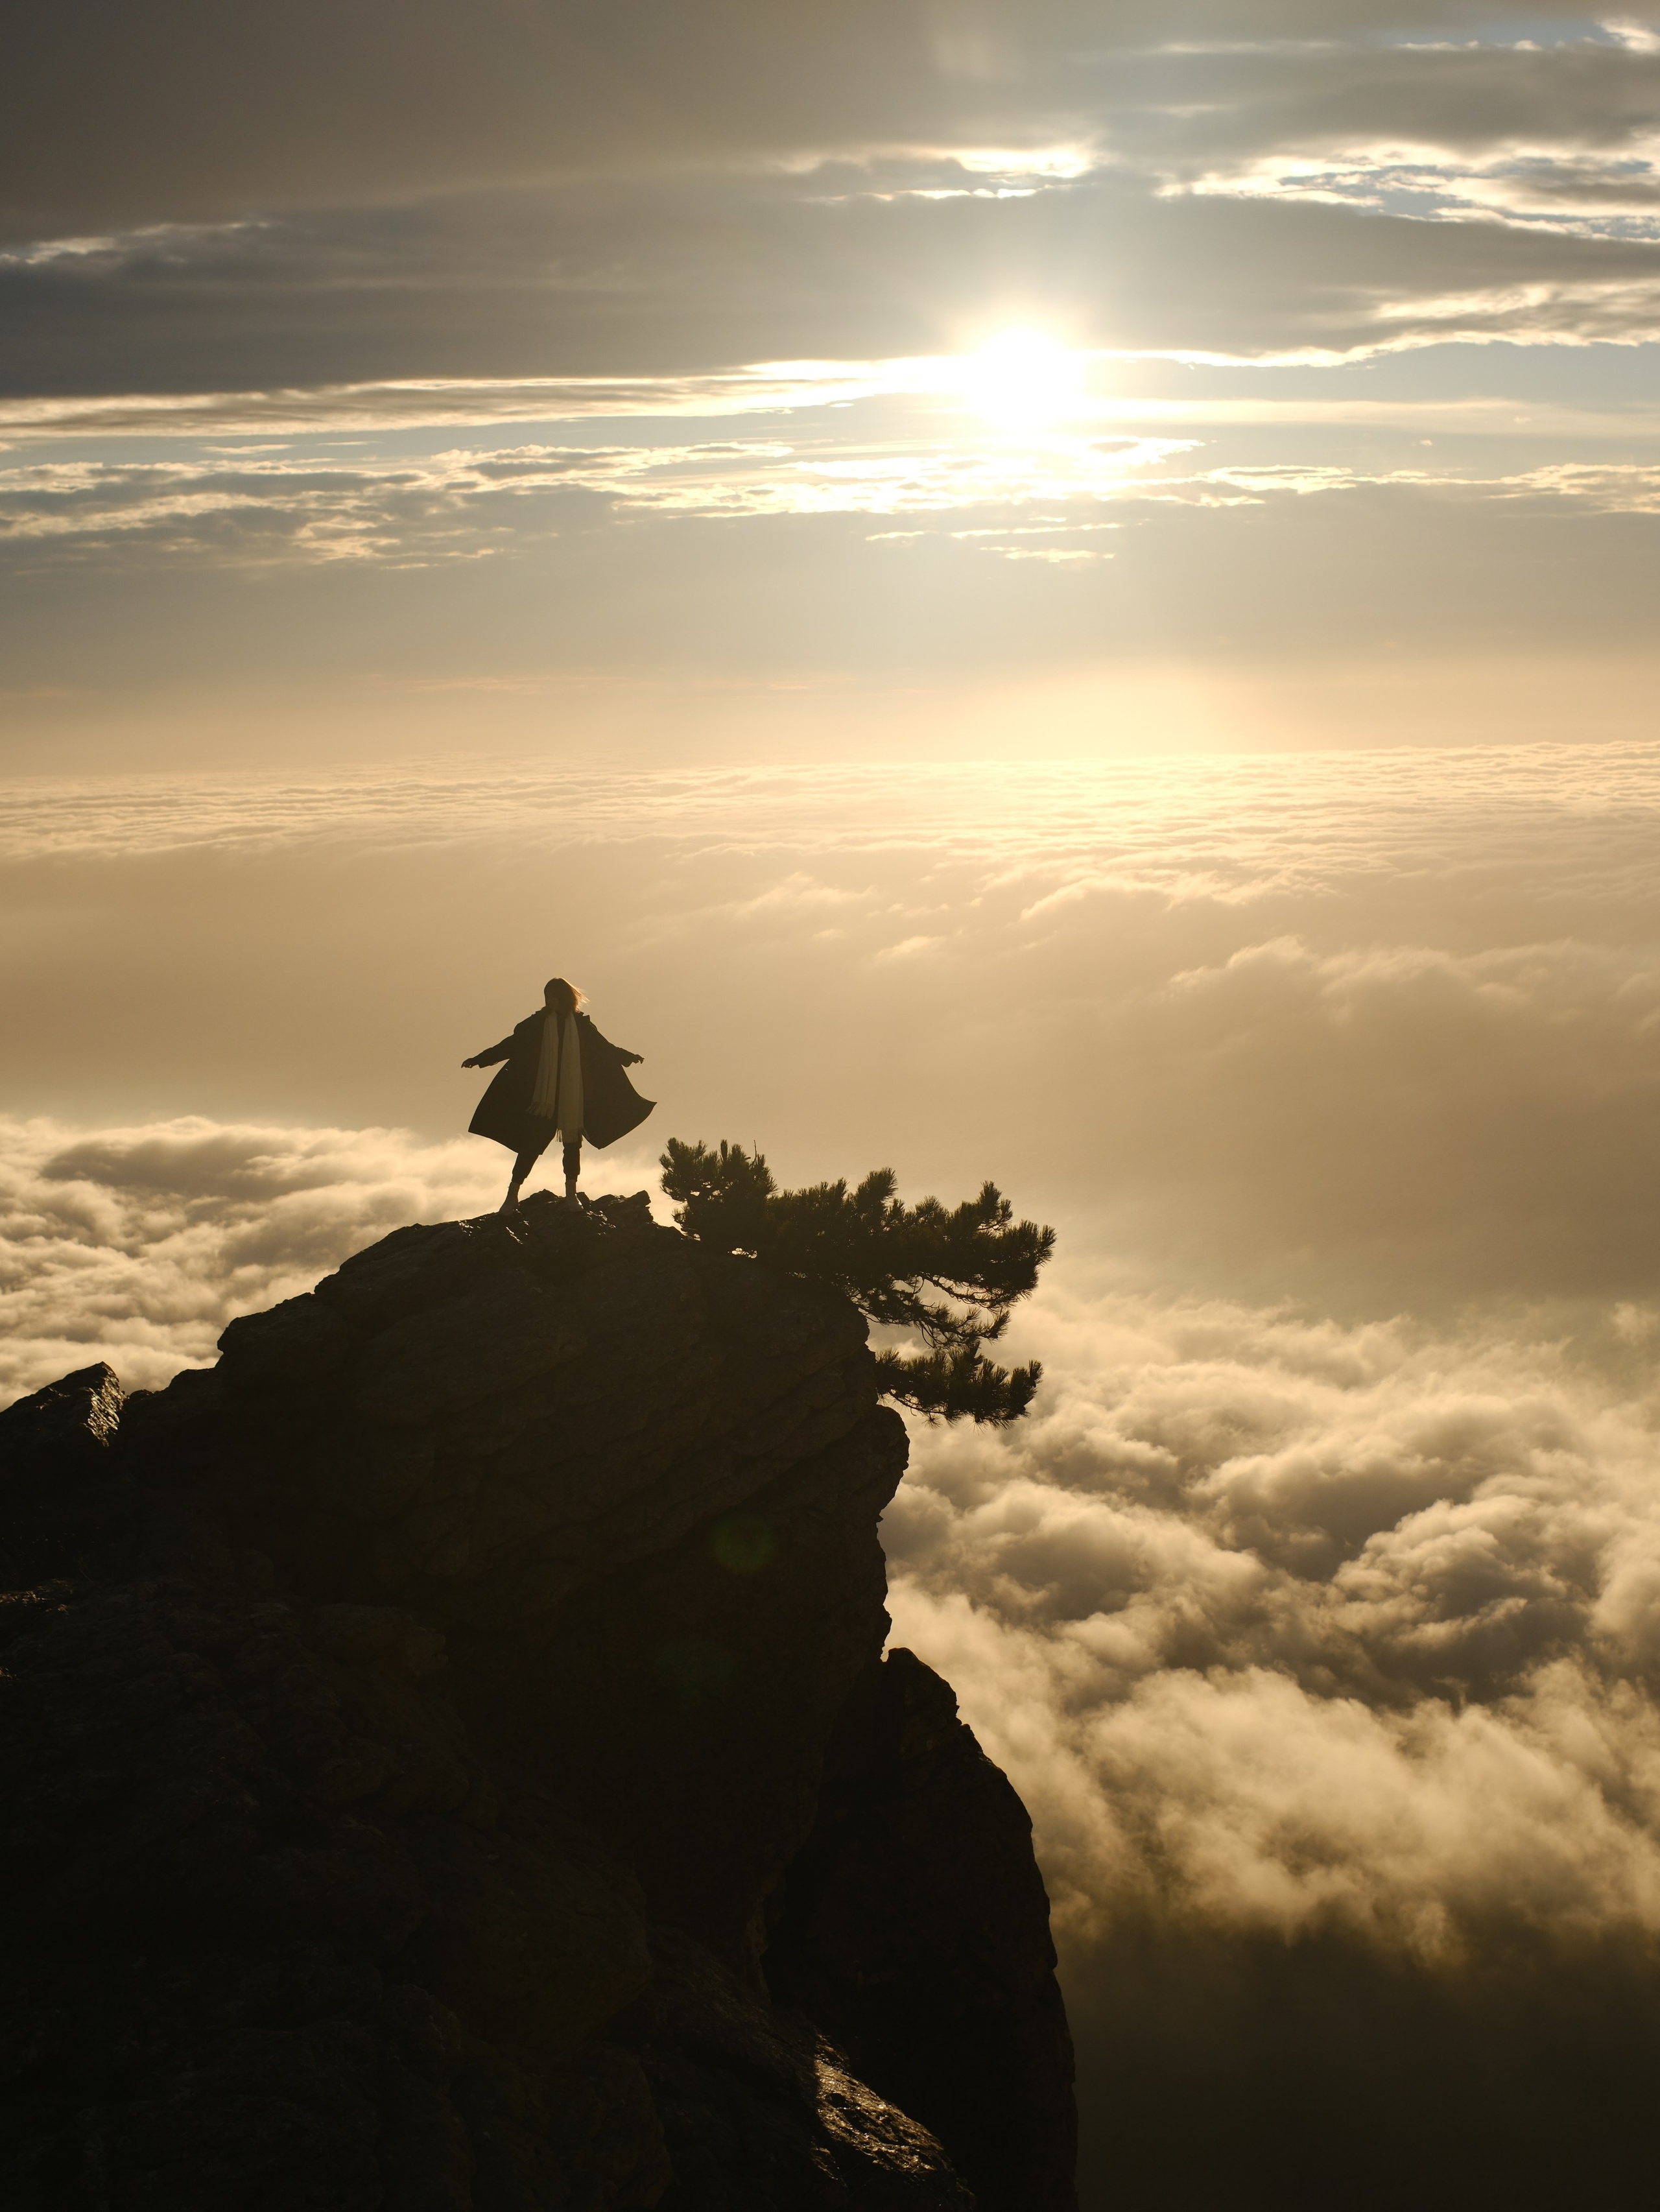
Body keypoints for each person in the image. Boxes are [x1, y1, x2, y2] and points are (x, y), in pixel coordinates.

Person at [462, 977, 654, 1212]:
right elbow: (511, 1045)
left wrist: (628, 1056)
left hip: (573, 1097)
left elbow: (604, 1049)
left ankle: (571, 1196)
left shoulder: (582, 1026)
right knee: (530, 1145)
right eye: (548, 996)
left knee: (572, 1146)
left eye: (555, 995)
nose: (551, 1000)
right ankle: (512, 1196)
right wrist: (479, 1059)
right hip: (544, 1098)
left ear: (565, 998)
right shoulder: (537, 1023)